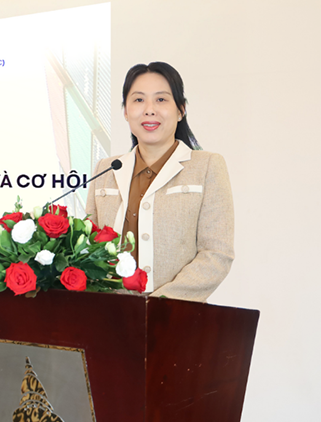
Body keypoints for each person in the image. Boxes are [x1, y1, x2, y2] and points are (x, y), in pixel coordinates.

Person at [85, 62, 234, 302]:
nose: (149, 110)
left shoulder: (207, 166)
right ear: (125, 111)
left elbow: (216, 254)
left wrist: (160, 304)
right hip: (111, 315)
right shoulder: (106, 169)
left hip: (177, 315)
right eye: (138, 100)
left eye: (161, 100)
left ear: (181, 110)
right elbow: (88, 249)